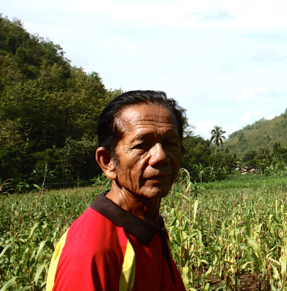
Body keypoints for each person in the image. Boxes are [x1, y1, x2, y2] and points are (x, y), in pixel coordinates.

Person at [46, 90, 187, 291]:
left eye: (170, 143)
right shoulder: (92, 250)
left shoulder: (149, 228)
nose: (160, 156)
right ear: (108, 162)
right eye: (142, 145)